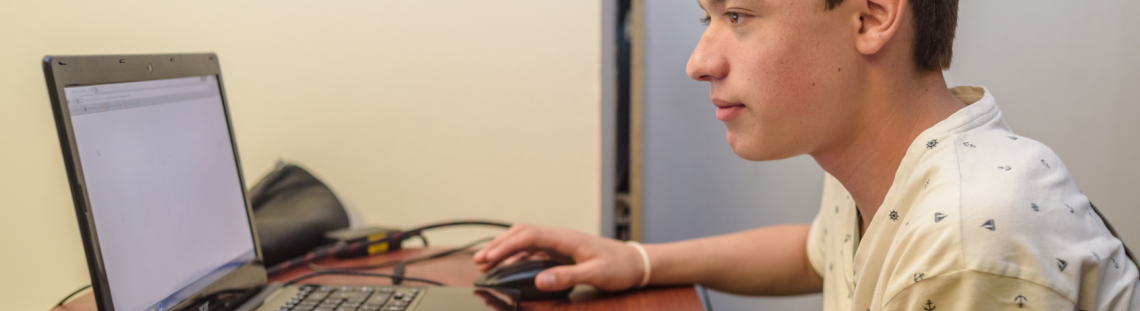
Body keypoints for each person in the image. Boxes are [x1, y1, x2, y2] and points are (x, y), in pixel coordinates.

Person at [474, 0, 1140, 309]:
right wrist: (639, 260)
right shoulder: (890, 165)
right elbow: (819, 253)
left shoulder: (967, 238)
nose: (699, 61)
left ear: (873, 16)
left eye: (739, 16)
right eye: (706, 18)